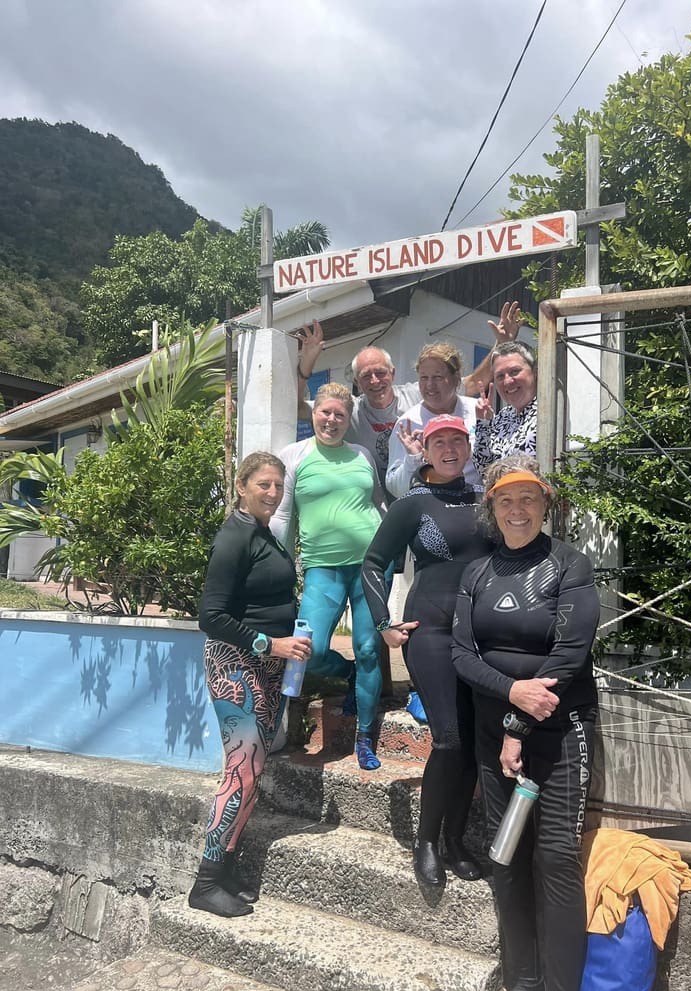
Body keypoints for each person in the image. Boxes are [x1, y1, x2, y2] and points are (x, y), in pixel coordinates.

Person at [451, 453, 600, 991]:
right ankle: (526, 983)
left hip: (560, 732)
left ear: (545, 504)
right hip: (496, 735)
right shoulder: (478, 572)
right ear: (493, 507)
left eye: (529, 499)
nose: (518, 509)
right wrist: (509, 701)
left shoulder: (568, 564)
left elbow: (570, 651)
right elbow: (462, 652)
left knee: (556, 865)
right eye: (506, 500)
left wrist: (522, 717)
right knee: (504, 859)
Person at [361, 415, 493, 886]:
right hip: (432, 634)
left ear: (468, 446)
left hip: (480, 637)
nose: (450, 448)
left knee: (476, 744)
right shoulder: (412, 505)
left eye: (458, 440)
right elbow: (373, 564)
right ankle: (427, 842)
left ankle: (456, 839)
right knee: (449, 738)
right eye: (441, 441)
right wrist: (383, 625)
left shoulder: (484, 501)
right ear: (427, 450)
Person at [191, 452, 313, 919]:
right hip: (236, 665)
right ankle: (204, 883)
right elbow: (211, 617)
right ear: (241, 486)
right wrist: (271, 645)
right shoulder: (234, 536)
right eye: (263, 484)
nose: (273, 493)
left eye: (279, 486)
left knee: (254, 770)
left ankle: (224, 868)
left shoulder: (264, 534)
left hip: (264, 665)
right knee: (241, 771)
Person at [272, 383, 386, 770]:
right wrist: (279, 566)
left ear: (347, 418)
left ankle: (366, 737)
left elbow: (378, 504)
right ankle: (348, 673)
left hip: (371, 567)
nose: (332, 420)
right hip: (323, 568)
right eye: (326, 413)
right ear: (314, 413)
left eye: (340, 414)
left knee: (370, 648)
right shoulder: (295, 456)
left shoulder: (362, 454)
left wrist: (391, 549)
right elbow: (284, 516)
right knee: (310, 650)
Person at [295, 302, 522, 494]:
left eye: (381, 373)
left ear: (392, 373)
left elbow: (473, 383)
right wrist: (307, 363)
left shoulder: (418, 394)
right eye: (366, 376)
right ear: (356, 381)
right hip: (395, 501)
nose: (375, 381)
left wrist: (501, 346)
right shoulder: (348, 411)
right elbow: (298, 410)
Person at [385, 342, 481, 497]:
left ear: (456, 378)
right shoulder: (406, 424)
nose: (430, 385)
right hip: (431, 509)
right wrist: (413, 459)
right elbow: (397, 490)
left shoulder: (479, 411)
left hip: (475, 507)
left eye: (438, 377)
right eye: (424, 378)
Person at [473, 340, 539, 476]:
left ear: (535, 372)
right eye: (500, 376)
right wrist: (483, 424)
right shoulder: (503, 416)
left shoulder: (548, 410)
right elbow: (483, 469)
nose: (508, 381)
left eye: (515, 371)